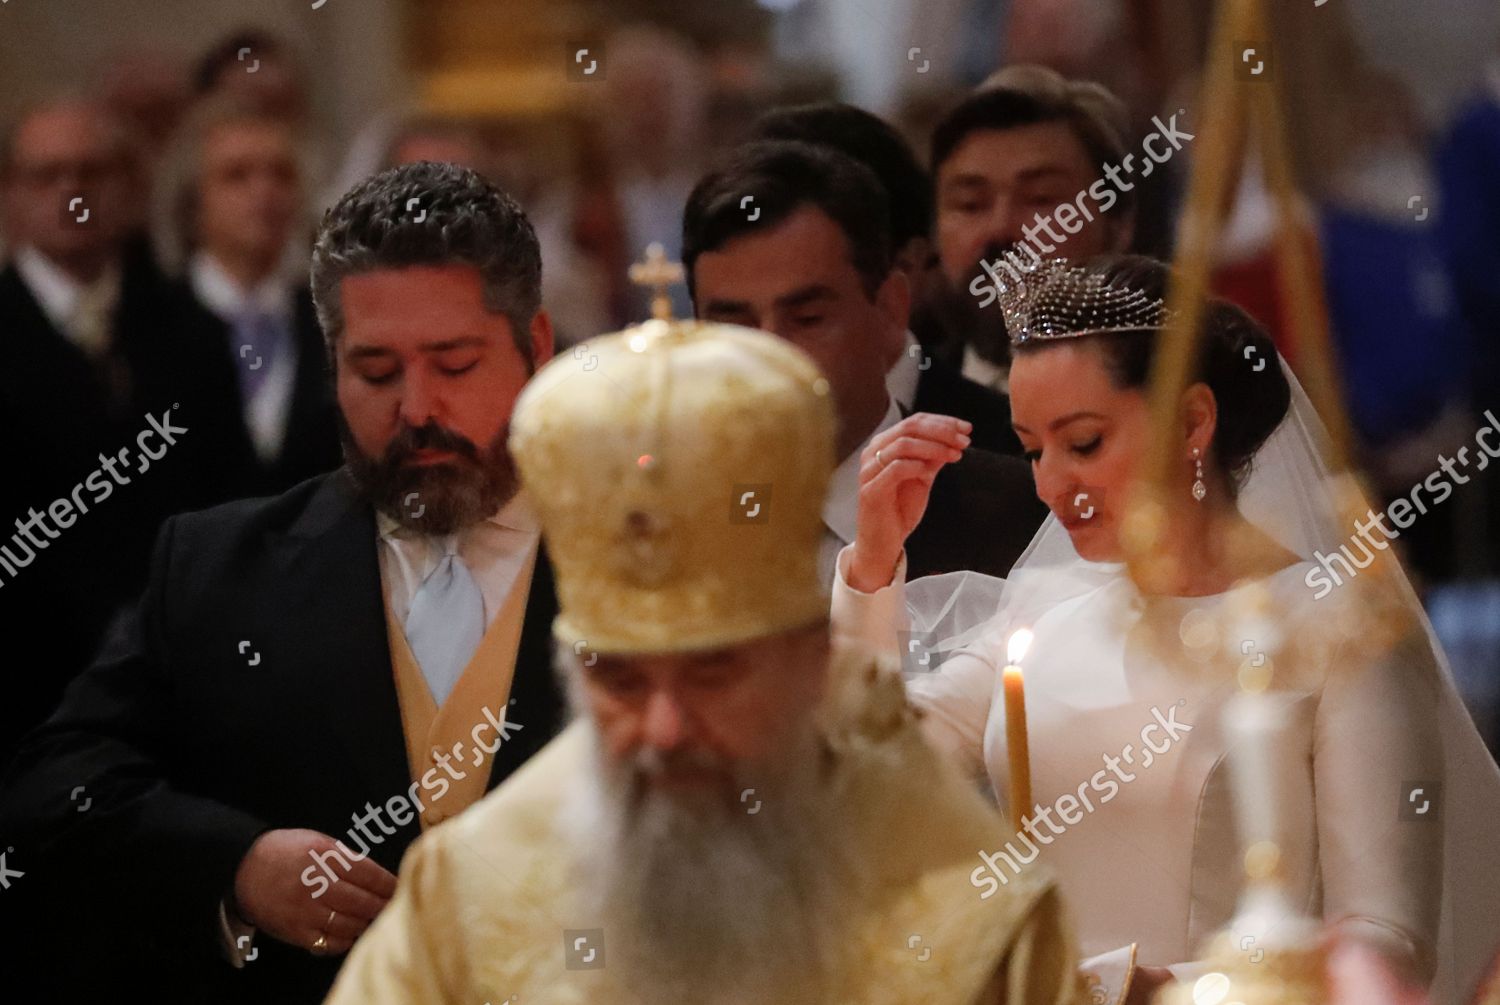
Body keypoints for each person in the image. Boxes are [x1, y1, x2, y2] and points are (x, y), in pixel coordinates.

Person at [324, 312, 1087, 1005]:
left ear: (805, 661)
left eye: (713, 674)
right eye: (619, 679)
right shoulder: (464, 898)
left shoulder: (968, 908)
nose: (664, 728)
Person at [832, 254, 1500, 1005]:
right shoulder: (1046, 606)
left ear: (1192, 421)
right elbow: (867, 778)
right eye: (1031, 448)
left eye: (1083, 442)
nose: (1052, 483)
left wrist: (1141, 990)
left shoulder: (1338, 628)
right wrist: (872, 566)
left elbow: (1386, 941)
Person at [0, 162, 567, 1004]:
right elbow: (51, 787)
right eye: (376, 371)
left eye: (454, 363)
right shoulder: (217, 565)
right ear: (331, 362)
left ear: (536, 347)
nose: (416, 408)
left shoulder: (641, 556)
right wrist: (236, 864)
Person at [0, 95, 246, 761]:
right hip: (26, 689)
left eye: (92, 172)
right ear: (10, 197)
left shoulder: (193, 332)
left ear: (134, 189)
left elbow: (227, 502)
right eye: (46, 176)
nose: (71, 191)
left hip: (176, 682)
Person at [681, 139, 1047, 585]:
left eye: (807, 319)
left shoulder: (1020, 519)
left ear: (891, 308)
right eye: (734, 325)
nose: (769, 358)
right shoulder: (661, 523)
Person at [749, 101, 1021, 455]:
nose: (767, 346)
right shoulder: (689, 451)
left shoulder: (1015, 450)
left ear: (903, 276)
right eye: (736, 316)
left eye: (808, 314)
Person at [154, 97, 341, 495]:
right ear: (192, 200)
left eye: (281, 175)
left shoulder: (331, 321)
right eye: (236, 176)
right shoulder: (150, 321)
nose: (264, 191)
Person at [927, 65, 1136, 393]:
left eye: (1040, 199)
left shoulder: (1170, 402)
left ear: (1119, 227)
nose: (1000, 228)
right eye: (971, 204)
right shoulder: (902, 408)